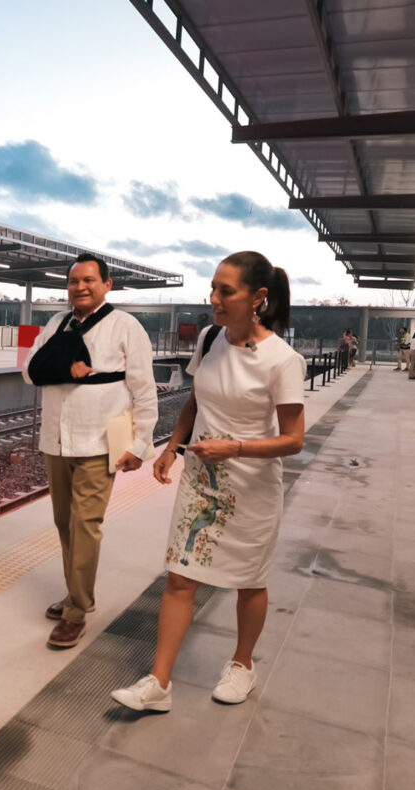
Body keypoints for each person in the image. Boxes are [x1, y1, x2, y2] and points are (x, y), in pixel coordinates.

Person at [111, 251, 305, 712]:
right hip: (201, 481)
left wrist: (233, 448)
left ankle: (242, 665)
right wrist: (173, 446)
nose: (214, 299)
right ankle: (159, 682)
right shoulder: (210, 337)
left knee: (249, 582)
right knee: (180, 577)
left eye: (226, 291)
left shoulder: (283, 361)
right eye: (213, 288)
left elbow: (294, 440)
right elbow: (195, 402)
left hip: (252, 489)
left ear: (258, 297)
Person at [22, 253, 158, 649]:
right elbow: (32, 371)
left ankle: (77, 611)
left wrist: (140, 444)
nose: (80, 287)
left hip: (101, 443)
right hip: (57, 441)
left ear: (107, 284)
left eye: (89, 280)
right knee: (65, 523)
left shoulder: (126, 327)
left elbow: (144, 390)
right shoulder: (56, 324)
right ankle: (76, 593)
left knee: (86, 525)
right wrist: (67, 368)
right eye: (73, 281)